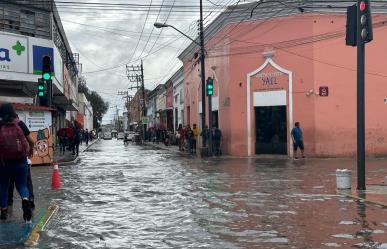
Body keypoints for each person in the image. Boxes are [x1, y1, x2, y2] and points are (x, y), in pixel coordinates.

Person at [0, 103, 34, 222]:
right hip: (20, 160)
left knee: (3, 186)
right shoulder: (20, 124)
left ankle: (3, 211)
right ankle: (25, 200)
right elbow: (31, 140)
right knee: (22, 185)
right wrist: (31, 151)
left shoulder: (0, 125)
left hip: (4, 163)